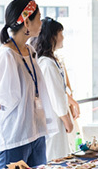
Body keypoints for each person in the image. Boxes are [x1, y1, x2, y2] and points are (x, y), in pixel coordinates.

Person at [0, 0, 56, 169]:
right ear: (26, 23)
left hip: (35, 134)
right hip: (13, 141)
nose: (40, 22)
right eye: (38, 18)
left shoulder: (30, 51)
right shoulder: (6, 56)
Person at [33, 17, 80, 160]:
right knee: (57, 159)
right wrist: (67, 121)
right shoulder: (47, 63)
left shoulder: (50, 61)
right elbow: (55, 95)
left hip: (55, 119)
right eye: (61, 33)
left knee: (60, 156)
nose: (63, 37)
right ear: (52, 36)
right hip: (54, 120)